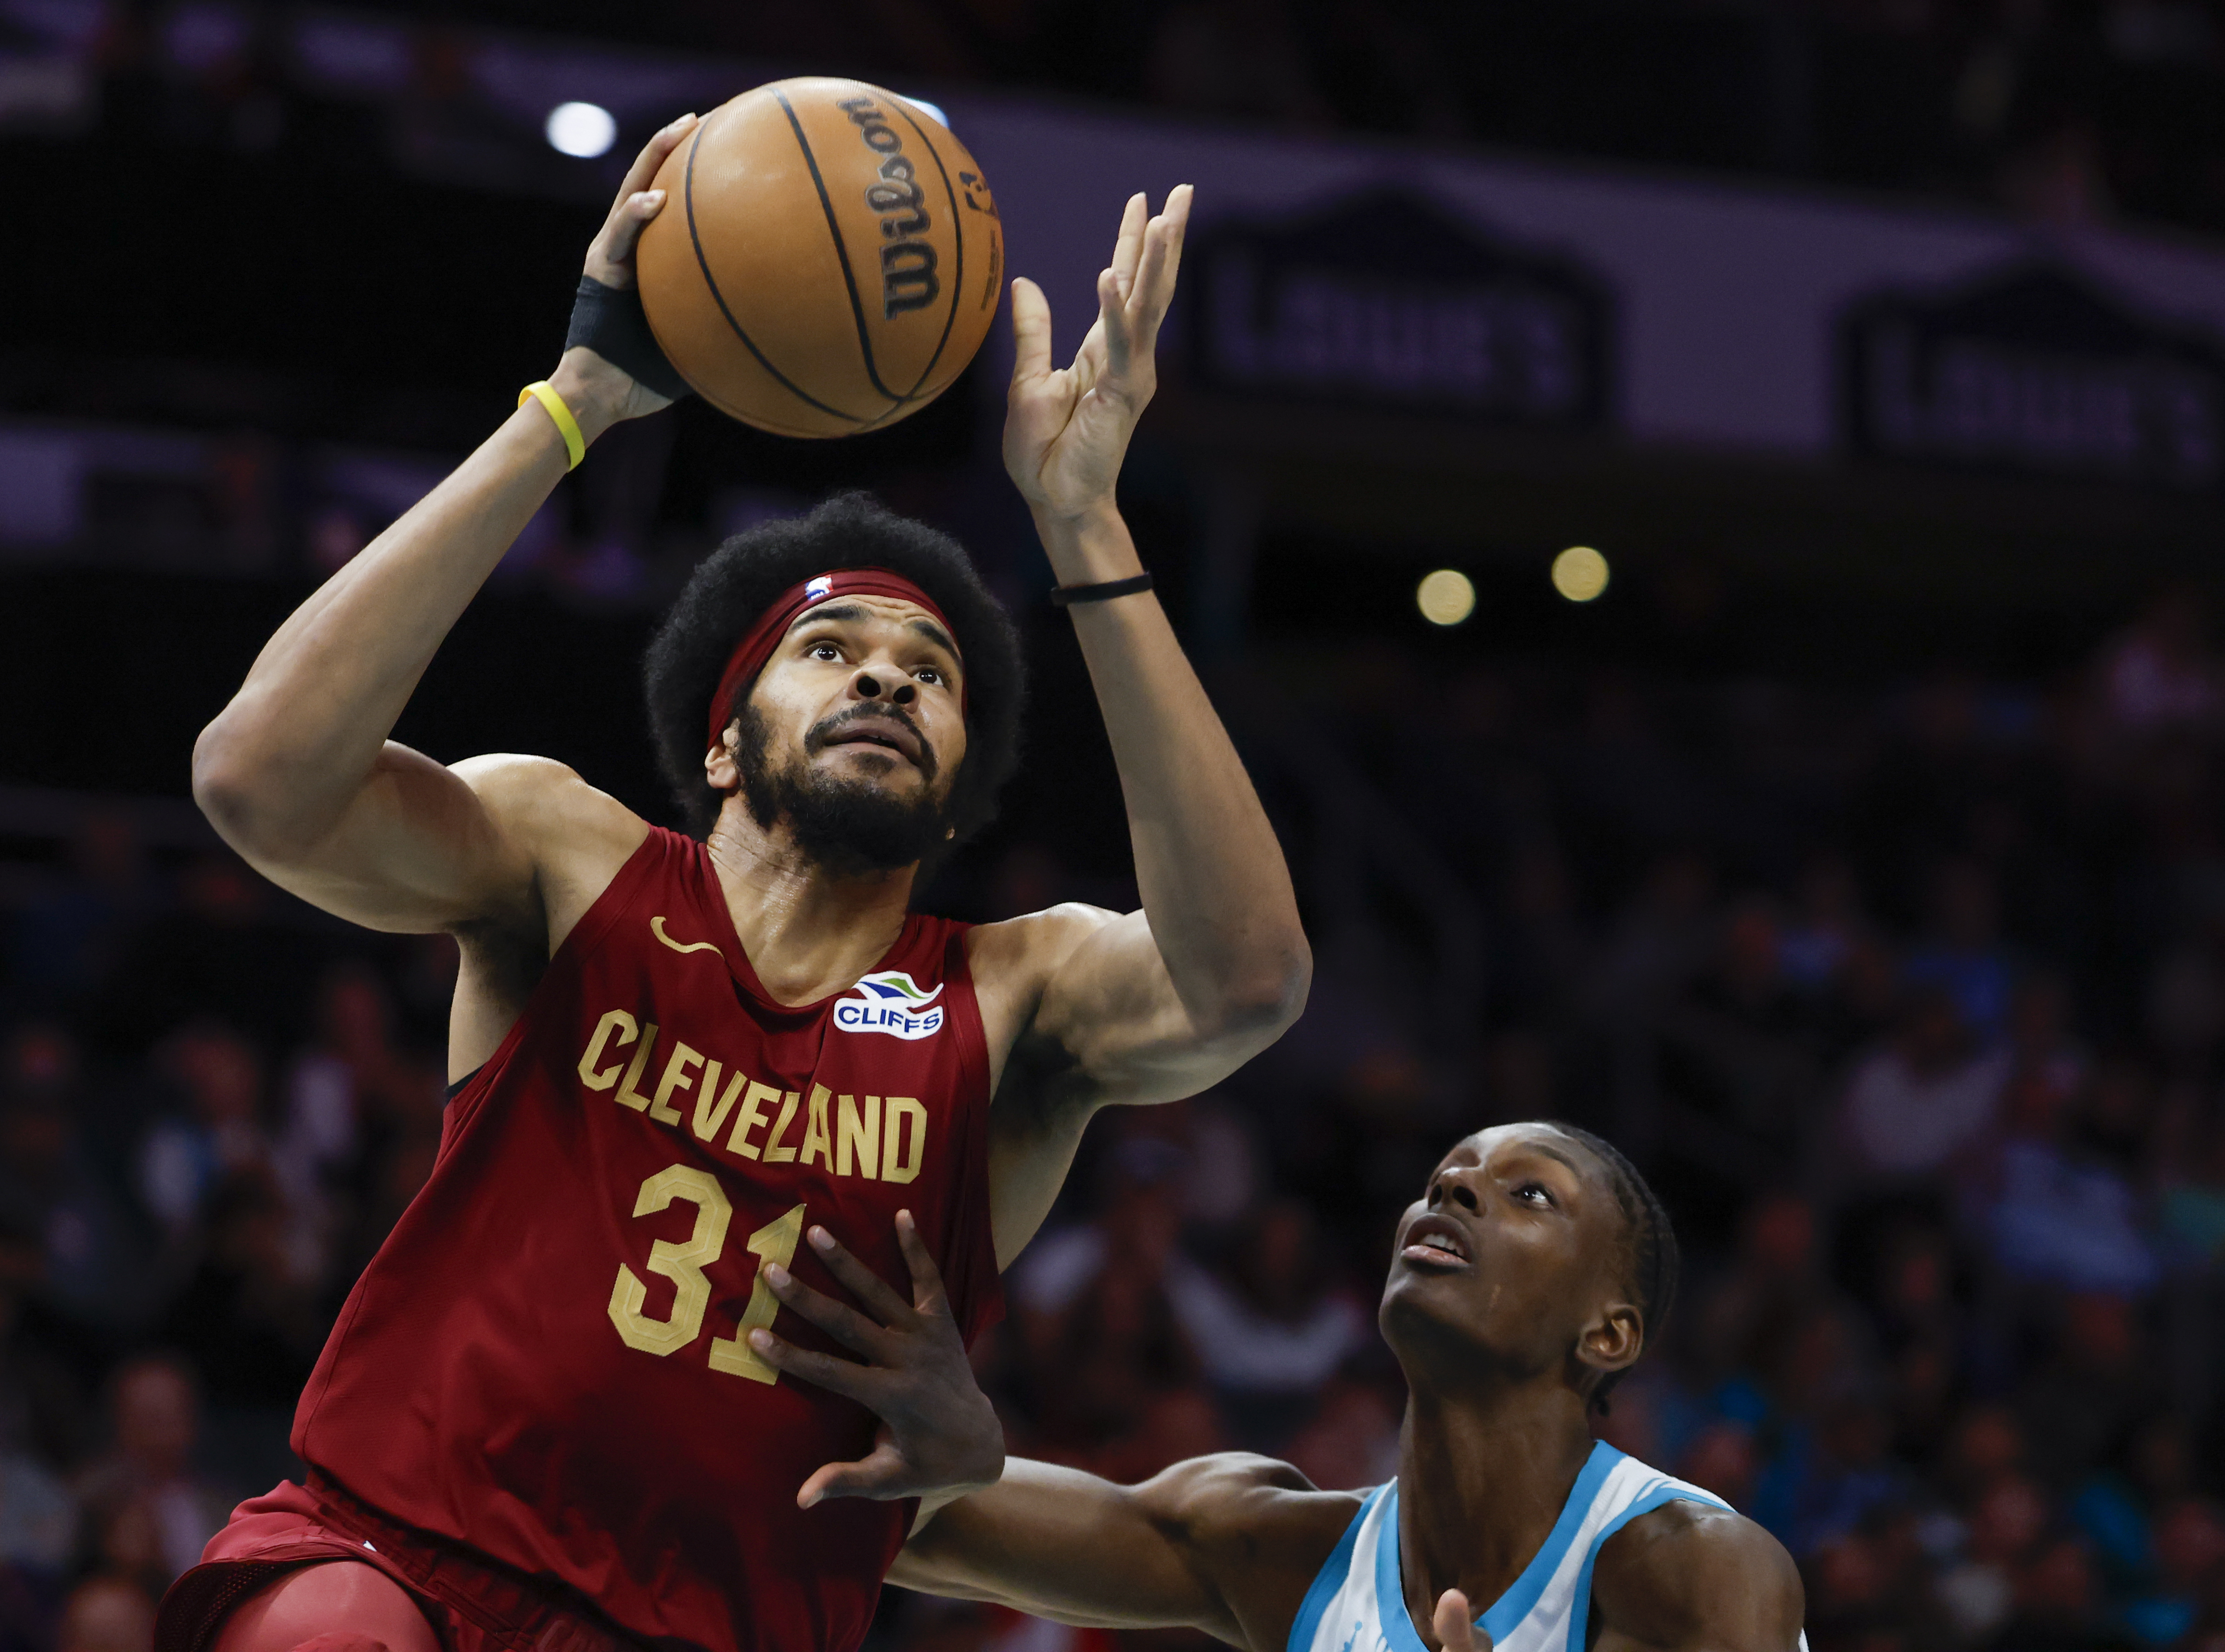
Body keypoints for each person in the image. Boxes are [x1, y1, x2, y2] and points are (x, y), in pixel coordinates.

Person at [166, 110, 1308, 1652]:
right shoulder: (567, 858)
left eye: (931, 676)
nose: (887, 683)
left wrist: (1086, 526)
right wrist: (569, 409)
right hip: (402, 1559)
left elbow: (1245, 983)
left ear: (961, 792)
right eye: (831, 653)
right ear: (724, 741)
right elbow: (259, 778)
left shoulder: (1016, 994)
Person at [757, 1122, 1806, 1652]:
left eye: (1529, 1193)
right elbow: (869, 1505)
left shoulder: (1699, 1566)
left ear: (1609, 1331)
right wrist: (931, 1444)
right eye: (1449, 1174)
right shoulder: (1279, 1549)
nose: (1456, 1186)